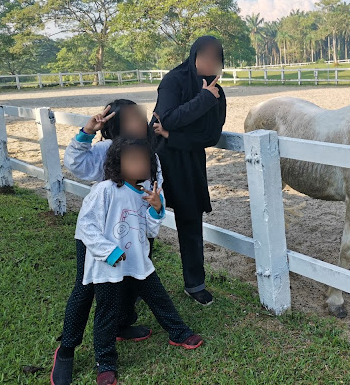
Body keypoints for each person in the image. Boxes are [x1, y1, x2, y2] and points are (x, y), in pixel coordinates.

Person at [51, 138, 203, 385]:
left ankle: (179, 332)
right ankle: (106, 363)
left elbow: (151, 231)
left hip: (138, 262)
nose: (139, 165)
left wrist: (156, 208)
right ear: (116, 164)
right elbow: (86, 226)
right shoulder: (105, 190)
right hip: (107, 267)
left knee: (159, 298)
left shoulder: (147, 193)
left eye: (143, 160)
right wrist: (108, 251)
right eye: (131, 160)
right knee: (107, 313)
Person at [58, 100, 163, 349]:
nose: (139, 123)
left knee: (131, 280)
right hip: (97, 235)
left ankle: (122, 324)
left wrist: (153, 214)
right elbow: (75, 164)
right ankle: (67, 348)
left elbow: (156, 189)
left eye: (141, 118)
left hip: (134, 231)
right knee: (85, 288)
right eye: (131, 119)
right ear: (115, 124)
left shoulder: (150, 155)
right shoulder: (104, 150)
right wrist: (87, 133)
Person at [152, 35, 227, 306]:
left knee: (191, 221)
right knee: (144, 218)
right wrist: (203, 99)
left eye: (216, 58)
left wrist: (173, 134)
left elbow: (209, 136)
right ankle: (136, 280)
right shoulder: (173, 80)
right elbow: (166, 116)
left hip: (190, 162)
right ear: (193, 55)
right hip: (158, 158)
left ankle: (194, 284)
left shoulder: (218, 93)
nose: (210, 63)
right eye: (204, 56)